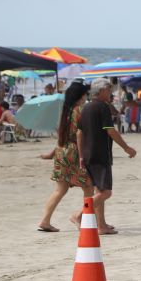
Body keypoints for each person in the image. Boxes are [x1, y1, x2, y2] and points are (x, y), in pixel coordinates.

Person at [79, 78, 137, 234]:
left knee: (99, 191)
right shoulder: (102, 107)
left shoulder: (86, 107)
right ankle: (79, 215)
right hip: (100, 153)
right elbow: (111, 130)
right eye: (110, 90)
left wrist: (80, 155)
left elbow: (80, 133)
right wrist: (127, 148)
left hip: (88, 153)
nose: (111, 94)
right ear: (102, 90)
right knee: (106, 192)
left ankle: (101, 225)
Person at [37, 82, 96, 232]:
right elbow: (81, 134)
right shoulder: (80, 110)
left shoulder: (65, 111)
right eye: (85, 94)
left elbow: (62, 136)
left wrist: (52, 154)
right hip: (76, 151)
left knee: (60, 190)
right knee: (89, 188)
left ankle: (45, 220)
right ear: (82, 95)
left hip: (63, 151)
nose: (86, 97)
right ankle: (83, 219)